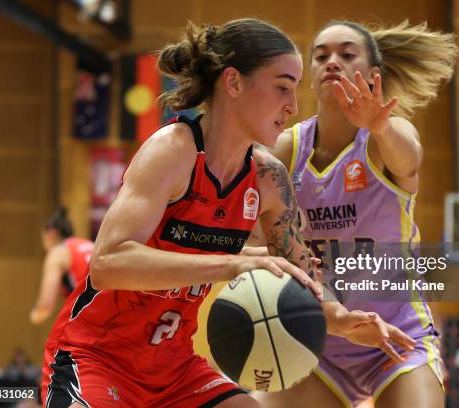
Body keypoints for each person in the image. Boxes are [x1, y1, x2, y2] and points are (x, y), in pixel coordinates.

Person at [40, 18, 402, 408]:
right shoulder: (173, 151)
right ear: (233, 82)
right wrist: (231, 264)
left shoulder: (267, 178)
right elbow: (107, 264)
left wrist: (338, 319)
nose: (293, 106)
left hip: (175, 369)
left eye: (295, 91)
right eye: (282, 87)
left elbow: (301, 272)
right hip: (96, 358)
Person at [250, 20, 457, 408]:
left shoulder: (389, 136)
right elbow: (256, 239)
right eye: (321, 56)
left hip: (397, 334)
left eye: (347, 55)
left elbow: (409, 161)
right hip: (317, 336)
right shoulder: (285, 151)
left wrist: (379, 125)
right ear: (308, 77)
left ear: (372, 74)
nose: (332, 62)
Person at [29, 208, 94, 325]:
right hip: (120, 312)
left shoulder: (58, 252)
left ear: (51, 233)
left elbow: (46, 304)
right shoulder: (90, 244)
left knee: (54, 340)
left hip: (94, 316)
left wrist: (36, 316)